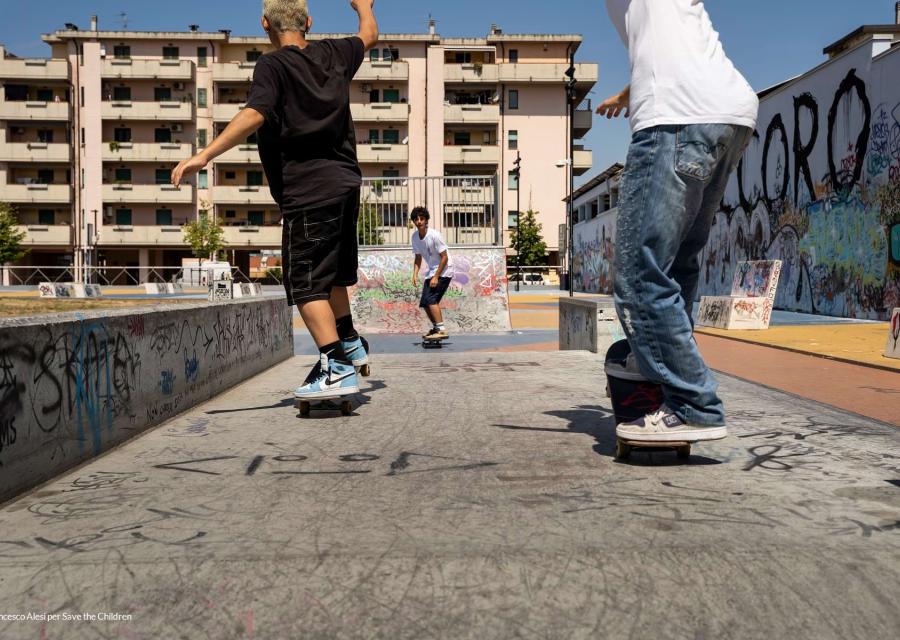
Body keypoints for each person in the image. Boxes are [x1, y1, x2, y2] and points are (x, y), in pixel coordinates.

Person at [171, 0, 378, 401]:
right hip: (346, 185)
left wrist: (205, 154)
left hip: (309, 191)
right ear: (309, 23)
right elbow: (369, 34)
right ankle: (349, 341)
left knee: (305, 283)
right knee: (331, 273)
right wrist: (363, 5)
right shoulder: (335, 52)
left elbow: (255, 112)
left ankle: (335, 365)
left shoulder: (273, 66)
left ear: (265, 23)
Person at [598, 0, 758, 442]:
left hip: (678, 118)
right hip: (725, 114)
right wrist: (627, 93)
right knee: (675, 264)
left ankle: (694, 403)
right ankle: (656, 362)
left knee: (640, 273)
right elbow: (669, 46)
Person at [410, 207, 452, 340]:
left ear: (426, 220)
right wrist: (415, 274)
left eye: (422, 219)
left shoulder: (435, 235)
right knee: (424, 302)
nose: (419, 221)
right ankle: (436, 327)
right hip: (433, 270)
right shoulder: (415, 237)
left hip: (445, 270)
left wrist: (436, 276)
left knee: (431, 300)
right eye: (416, 219)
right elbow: (418, 257)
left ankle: (442, 329)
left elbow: (444, 257)